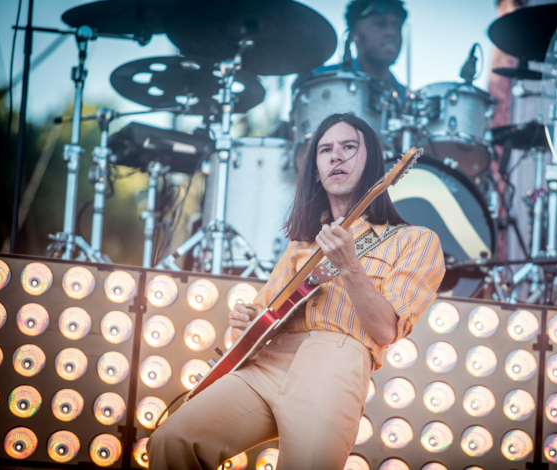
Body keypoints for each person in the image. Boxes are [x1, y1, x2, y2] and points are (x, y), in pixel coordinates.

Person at [147, 114, 445, 470]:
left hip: (335, 357)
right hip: (267, 363)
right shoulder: (300, 246)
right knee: (170, 441)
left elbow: (385, 331)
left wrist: (350, 266)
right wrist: (242, 321)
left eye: (349, 147)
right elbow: (259, 323)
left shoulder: (416, 240)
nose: (336, 156)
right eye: (325, 150)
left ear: (373, 165)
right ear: (316, 170)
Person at [293, 0, 408, 99]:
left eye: (397, 26)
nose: (392, 32)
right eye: (380, 24)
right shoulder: (321, 79)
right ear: (355, 35)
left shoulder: (405, 98)